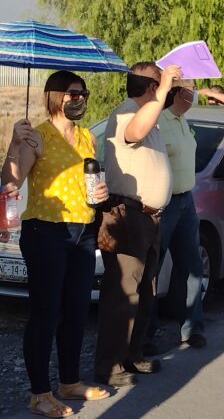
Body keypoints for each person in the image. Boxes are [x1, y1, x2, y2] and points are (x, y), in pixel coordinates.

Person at [1, 71, 110, 417]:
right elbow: (11, 181)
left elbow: (90, 180)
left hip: (82, 230)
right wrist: (14, 146)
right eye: (72, 93)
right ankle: (39, 394)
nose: (79, 99)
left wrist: (100, 194)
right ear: (54, 97)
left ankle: (69, 382)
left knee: (76, 311)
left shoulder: (87, 137)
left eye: (83, 93)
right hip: (46, 231)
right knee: (46, 315)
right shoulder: (36, 136)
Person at [95, 62, 179, 387]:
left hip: (150, 217)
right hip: (128, 215)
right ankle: (111, 366)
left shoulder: (151, 116)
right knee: (123, 293)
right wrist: (163, 89)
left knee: (146, 290)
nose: (167, 91)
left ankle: (133, 354)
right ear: (149, 87)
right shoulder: (128, 114)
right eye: (160, 85)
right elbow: (136, 133)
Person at [145, 79, 206, 352]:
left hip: (186, 201)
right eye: (191, 88)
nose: (194, 93)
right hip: (164, 203)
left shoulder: (183, 121)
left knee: (192, 265)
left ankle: (192, 328)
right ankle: (146, 335)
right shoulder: (158, 121)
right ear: (180, 92)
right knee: (153, 270)